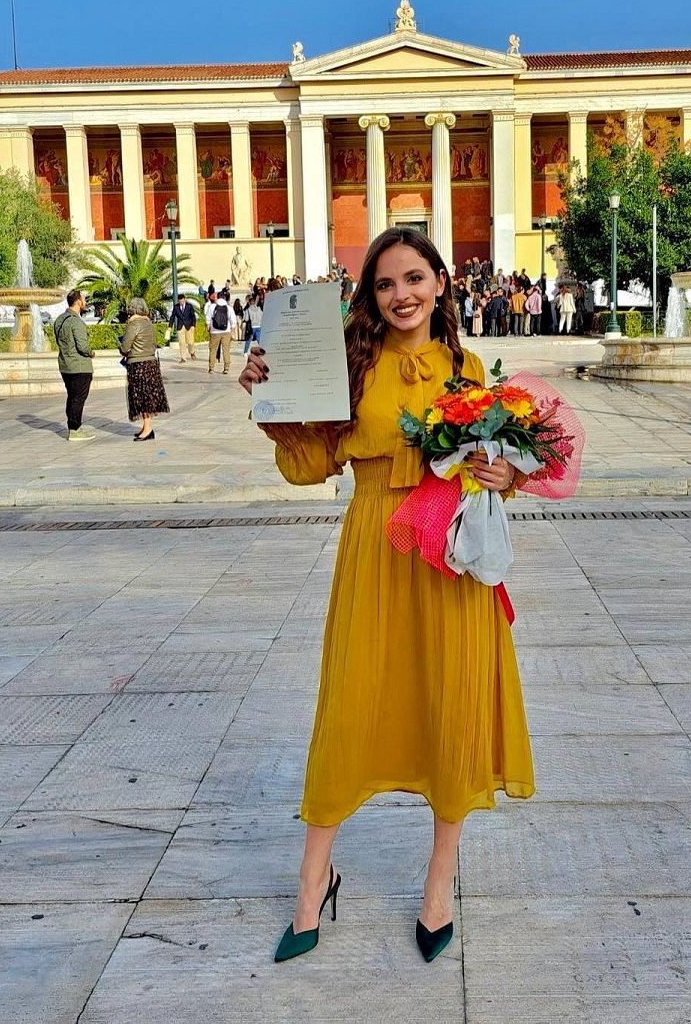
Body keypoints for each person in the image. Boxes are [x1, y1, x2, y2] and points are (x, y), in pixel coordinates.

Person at [239, 226, 534, 966]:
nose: (401, 294)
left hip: (448, 557)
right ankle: (315, 878)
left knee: (449, 706)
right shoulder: (348, 364)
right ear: (370, 297)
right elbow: (310, 464)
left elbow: (495, 467)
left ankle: (439, 883)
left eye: (413, 278)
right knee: (350, 706)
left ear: (441, 282)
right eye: (384, 284)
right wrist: (273, 399)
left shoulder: (468, 368)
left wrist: (506, 475)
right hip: (374, 548)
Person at [120, 297, 169, 441]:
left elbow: (125, 347)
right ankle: (146, 427)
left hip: (138, 365)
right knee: (148, 395)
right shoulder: (149, 323)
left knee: (141, 397)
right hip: (151, 364)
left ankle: (147, 429)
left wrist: (120, 347)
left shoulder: (133, 324)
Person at [54, 289, 95, 441]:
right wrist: (91, 352)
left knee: (72, 397)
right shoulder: (76, 322)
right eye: (83, 299)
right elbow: (82, 347)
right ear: (78, 302)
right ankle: (75, 429)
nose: (85, 302)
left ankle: (73, 427)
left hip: (65, 365)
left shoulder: (59, 320)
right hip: (79, 366)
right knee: (78, 398)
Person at [205, 291, 235, 374]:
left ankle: (211, 368)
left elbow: (208, 318)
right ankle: (226, 368)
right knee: (226, 350)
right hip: (226, 331)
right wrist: (232, 331)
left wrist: (208, 328)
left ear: (217, 297)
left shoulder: (212, 306)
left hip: (214, 331)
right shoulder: (229, 308)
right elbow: (233, 321)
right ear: (224, 298)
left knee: (213, 350)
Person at [169, 293, 198, 363]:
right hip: (180, 327)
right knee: (182, 343)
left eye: (182, 301)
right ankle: (183, 358)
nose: (181, 302)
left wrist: (193, 325)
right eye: (180, 301)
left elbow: (193, 316)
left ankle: (192, 352)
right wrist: (170, 326)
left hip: (189, 326)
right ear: (178, 301)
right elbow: (172, 316)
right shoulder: (176, 307)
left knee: (190, 342)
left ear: (184, 299)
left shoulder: (189, 306)